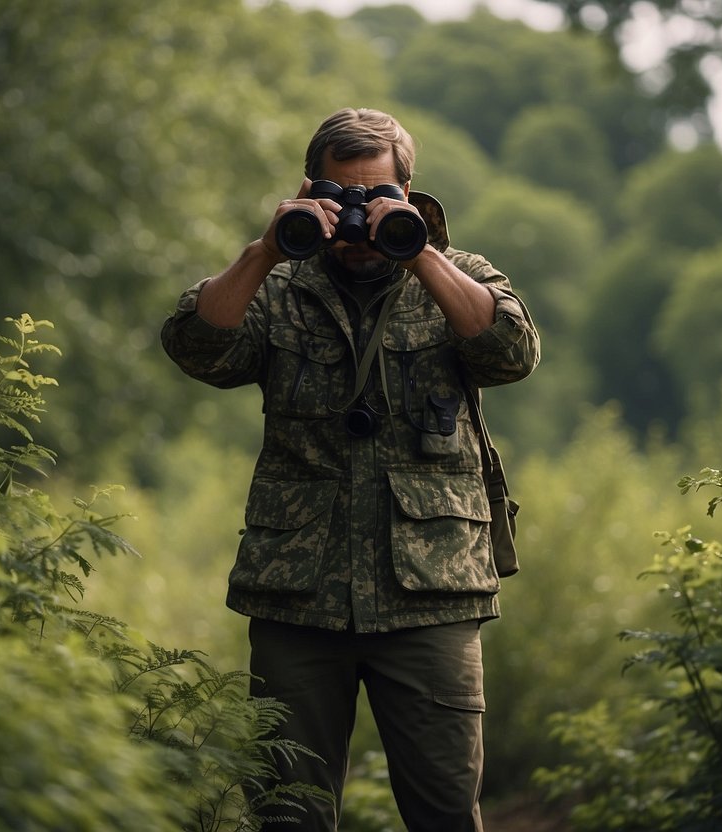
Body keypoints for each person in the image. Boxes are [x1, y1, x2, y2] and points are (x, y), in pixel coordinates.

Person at [160, 107, 539, 831]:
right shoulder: (279, 286)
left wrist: (416, 250)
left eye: (378, 196)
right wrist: (266, 250)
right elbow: (196, 347)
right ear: (310, 189)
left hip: (429, 594)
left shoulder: (460, 277)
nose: (359, 221)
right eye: (342, 198)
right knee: (286, 815)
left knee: (444, 812)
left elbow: (510, 354)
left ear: (408, 191)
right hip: (296, 595)